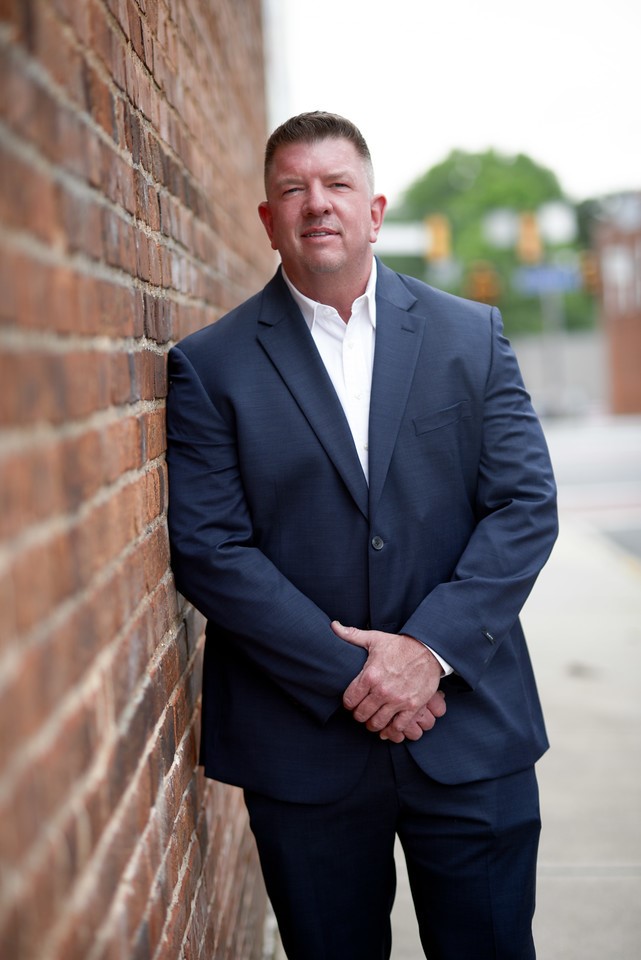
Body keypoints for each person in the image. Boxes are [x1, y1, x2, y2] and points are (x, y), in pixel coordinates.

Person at [166, 111, 558, 960]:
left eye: (337, 185)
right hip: (301, 748)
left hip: (467, 725)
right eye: (293, 189)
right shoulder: (211, 364)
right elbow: (210, 549)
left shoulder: (470, 337)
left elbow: (524, 505)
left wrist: (428, 652)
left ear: (373, 210)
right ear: (268, 220)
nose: (318, 205)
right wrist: (358, 676)